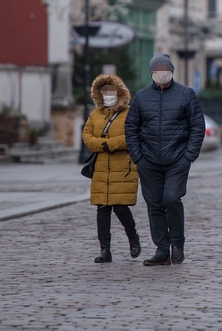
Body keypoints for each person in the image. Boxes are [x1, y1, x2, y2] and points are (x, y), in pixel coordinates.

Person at [125, 53, 205, 266]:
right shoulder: (141, 97)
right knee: (154, 204)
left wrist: (189, 155)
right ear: (151, 73)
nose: (162, 74)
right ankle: (162, 249)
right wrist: (138, 156)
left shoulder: (186, 94)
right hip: (148, 160)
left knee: (171, 198)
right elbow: (131, 127)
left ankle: (177, 243)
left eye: (165, 70)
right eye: (157, 70)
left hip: (177, 159)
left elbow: (197, 126)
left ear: (171, 71)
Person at [82, 73, 141, 264]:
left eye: (111, 91)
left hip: (122, 166)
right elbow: (87, 136)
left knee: (121, 207)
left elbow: (133, 136)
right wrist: (101, 145)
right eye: (104, 92)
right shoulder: (95, 115)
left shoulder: (129, 113)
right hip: (101, 169)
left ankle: (133, 238)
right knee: (102, 209)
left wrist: (111, 144)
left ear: (119, 92)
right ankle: (104, 249)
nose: (107, 95)